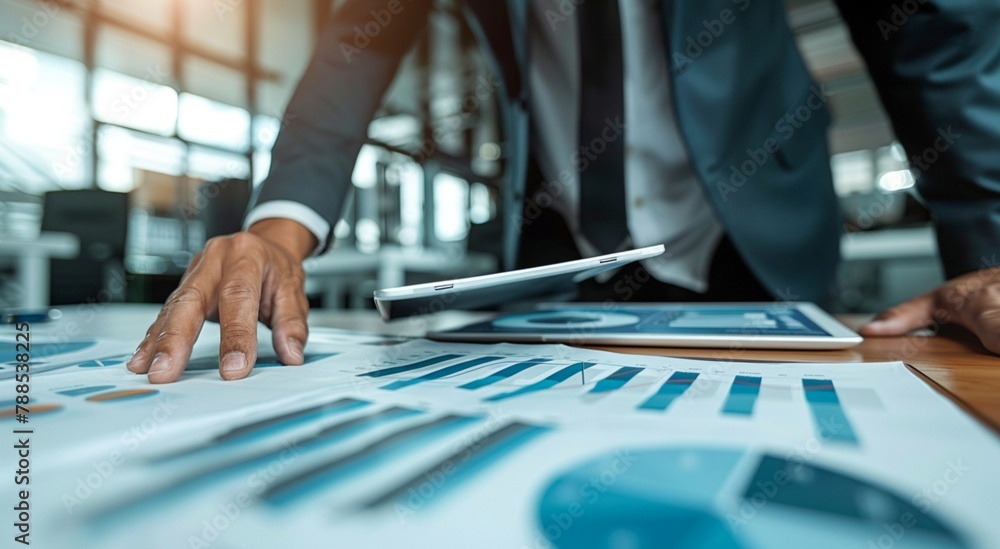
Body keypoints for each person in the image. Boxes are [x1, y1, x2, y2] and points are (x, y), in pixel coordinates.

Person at [126, 0, 1000, 383]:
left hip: (754, 231)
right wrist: (279, 231)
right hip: (560, 256)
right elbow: (348, 58)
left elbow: (938, 38)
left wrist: (991, 258)